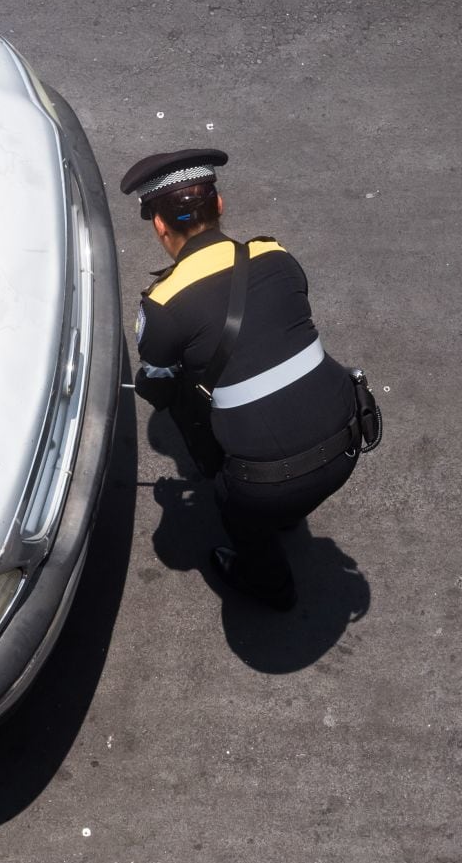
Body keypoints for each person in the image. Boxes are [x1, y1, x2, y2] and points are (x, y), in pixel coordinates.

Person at [121, 149, 377, 611]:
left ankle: (270, 586)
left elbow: (158, 388)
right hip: (349, 443)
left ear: (159, 226)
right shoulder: (276, 254)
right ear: (219, 206)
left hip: (264, 486)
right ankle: (288, 515)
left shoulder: (161, 304)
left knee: (235, 508)